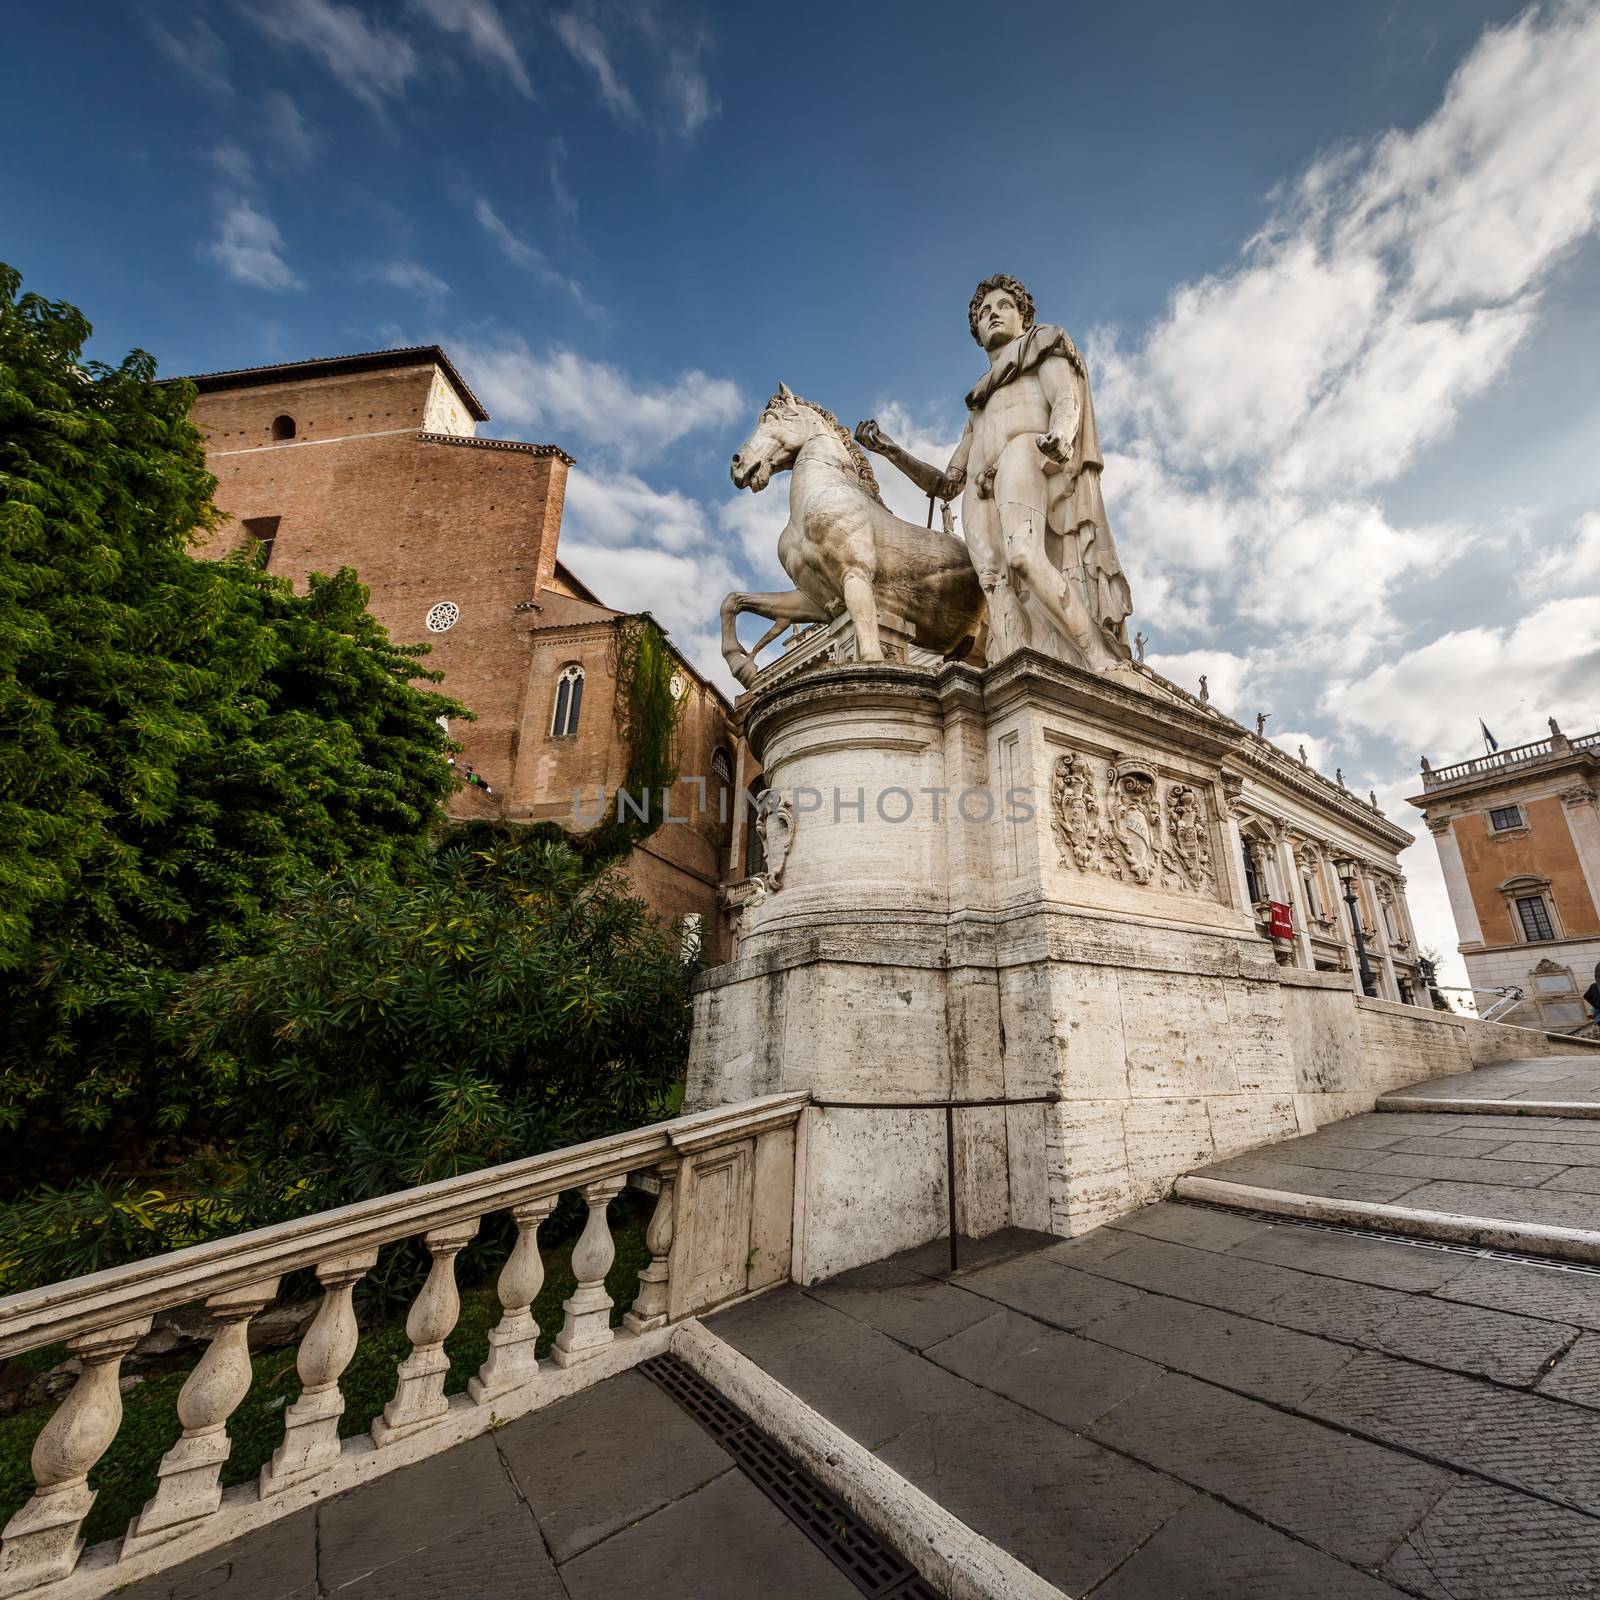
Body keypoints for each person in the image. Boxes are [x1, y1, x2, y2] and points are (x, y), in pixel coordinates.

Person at [855, 274, 1131, 670]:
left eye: (1003, 306)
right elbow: (947, 482)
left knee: (1023, 556)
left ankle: (1097, 656)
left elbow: (1066, 400)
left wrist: (1061, 435)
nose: (993, 315)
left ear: (1023, 316)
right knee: (994, 584)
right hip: (979, 487)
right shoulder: (979, 402)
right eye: (984, 313)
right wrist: (891, 451)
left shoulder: (1042, 346)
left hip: (1025, 452)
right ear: (978, 333)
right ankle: (1018, 671)